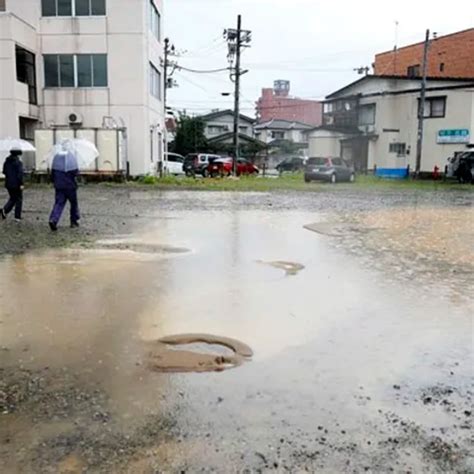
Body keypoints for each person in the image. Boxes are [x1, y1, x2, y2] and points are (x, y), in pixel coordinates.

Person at [49, 150, 80, 231]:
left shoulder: (56, 162)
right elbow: (76, 173)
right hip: (70, 187)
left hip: (59, 187)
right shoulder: (72, 162)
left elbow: (52, 176)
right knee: (73, 204)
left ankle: (53, 219)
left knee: (58, 204)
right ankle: (73, 221)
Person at [1, 148, 24, 222]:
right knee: (18, 199)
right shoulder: (18, 163)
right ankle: (17, 216)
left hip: (8, 183)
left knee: (13, 198)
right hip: (16, 184)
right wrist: (21, 183)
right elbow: (20, 174)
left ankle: (5, 210)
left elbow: (4, 171)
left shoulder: (6, 162)